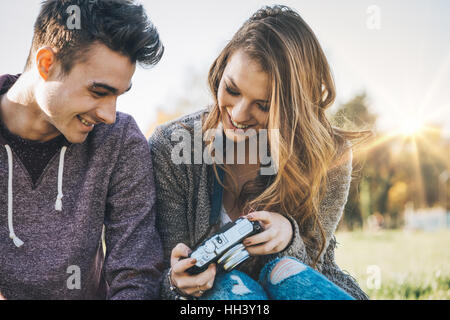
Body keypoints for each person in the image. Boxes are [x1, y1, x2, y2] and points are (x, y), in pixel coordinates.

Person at [150, 5, 369, 300]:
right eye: (232, 89)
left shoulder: (329, 156)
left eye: (263, 105)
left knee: (284, 272)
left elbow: (318, 268)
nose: (239, 114)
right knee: (229, 289)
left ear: (294, 109)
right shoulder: (172, 147)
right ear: (221, 69)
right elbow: (160, 275)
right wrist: (177, 283)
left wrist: (289, 237)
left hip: (292, 284)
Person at [0, 0, 164, 299]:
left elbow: (136, 274)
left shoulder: (119, 140)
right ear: (46, 63)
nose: (109, 115)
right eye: (99, 92)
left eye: (118, 95)